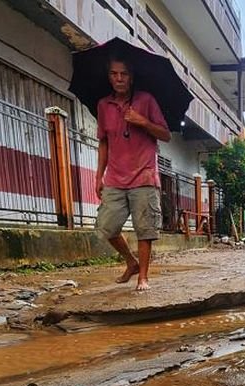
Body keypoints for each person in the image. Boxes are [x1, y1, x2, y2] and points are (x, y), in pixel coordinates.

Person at [96, 56, 172, 291]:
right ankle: (131, 263)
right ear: (109, 76)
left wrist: (142, 121)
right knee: (106, 227)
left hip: (144, 175)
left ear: (131, 77)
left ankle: (143, 278)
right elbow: (103, 142)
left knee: (145, 229)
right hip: (115, 178)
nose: (119, 78)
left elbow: (165, 135)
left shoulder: (146, 100)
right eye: (114, 74)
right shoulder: (103, 105)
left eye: (124, 74)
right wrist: (98, 175)